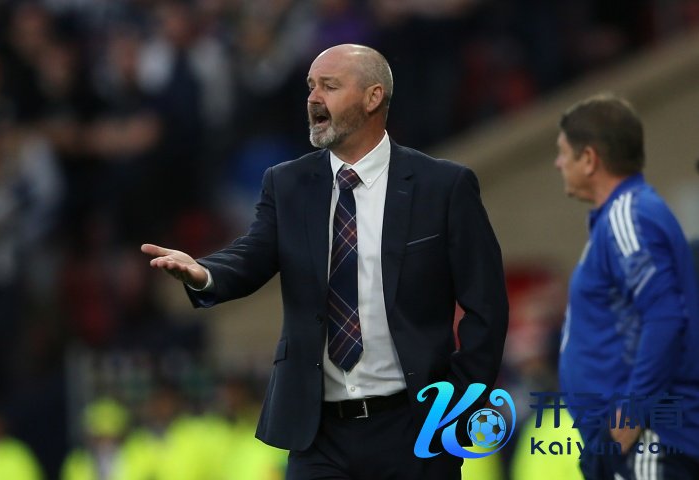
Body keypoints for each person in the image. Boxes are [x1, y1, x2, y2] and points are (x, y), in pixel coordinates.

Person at [142, 43, 508, 479]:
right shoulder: (288, 183)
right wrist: (204, 272)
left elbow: (487, 306)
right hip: (319, 435)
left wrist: (463, 399)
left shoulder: (443, 186)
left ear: (373, 97)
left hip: (415, 425)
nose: (313, 98)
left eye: (329, 87)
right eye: (310, 86)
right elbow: (254, 253)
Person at [555, 94, 699, 479]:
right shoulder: (626, 215)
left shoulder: (628, 215)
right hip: (638, 441)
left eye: (563, 152)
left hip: (650, 439)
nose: (558, 163)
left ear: (589, 159)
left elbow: (665, 319)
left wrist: (627, 421)